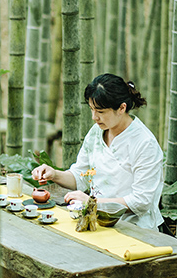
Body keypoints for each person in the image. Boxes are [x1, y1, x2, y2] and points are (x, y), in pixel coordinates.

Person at [31, 74, 165, 229]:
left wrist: (91, 202)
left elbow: (141, 202)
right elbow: (81, 176)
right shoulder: (97, 131)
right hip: (97, 221)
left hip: (135, 228)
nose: (94, 117)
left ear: (122, 108)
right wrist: (54, 174)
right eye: (92, 109)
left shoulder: (144, 143)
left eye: (100, 111)